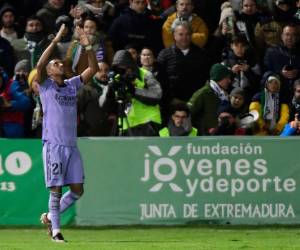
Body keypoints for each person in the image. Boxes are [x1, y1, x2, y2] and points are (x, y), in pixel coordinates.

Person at [37, 24, 98, 242]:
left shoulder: (71, 85)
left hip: (72, 146)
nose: (59, 63)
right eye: (55, 63)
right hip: (53, 145)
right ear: (49, 72)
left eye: (60, 61)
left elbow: (93, 69)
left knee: (78, 190)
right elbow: (40, 63)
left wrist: (87, 44)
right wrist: (56, 40)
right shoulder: (45, 87)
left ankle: (49, 217)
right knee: (55, 189)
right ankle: (56, 232)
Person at [111, 49, 162, 136]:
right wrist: (109, 90)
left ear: (131, 66)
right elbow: (104, 105)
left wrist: (134, 90)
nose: (123, 72)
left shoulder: (145, 74)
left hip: (148, 123)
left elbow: (157, 95)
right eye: (119, 69)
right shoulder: (116, 79)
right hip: (126, 126)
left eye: (124, 68)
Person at [188, 63, 232, 135]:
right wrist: (203, 131)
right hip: (204, 139)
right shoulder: (203, 93)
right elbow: (187, 114)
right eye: (227, 78)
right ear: (219, 78)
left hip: (218, 137)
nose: (229, 81)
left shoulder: (222, 94)